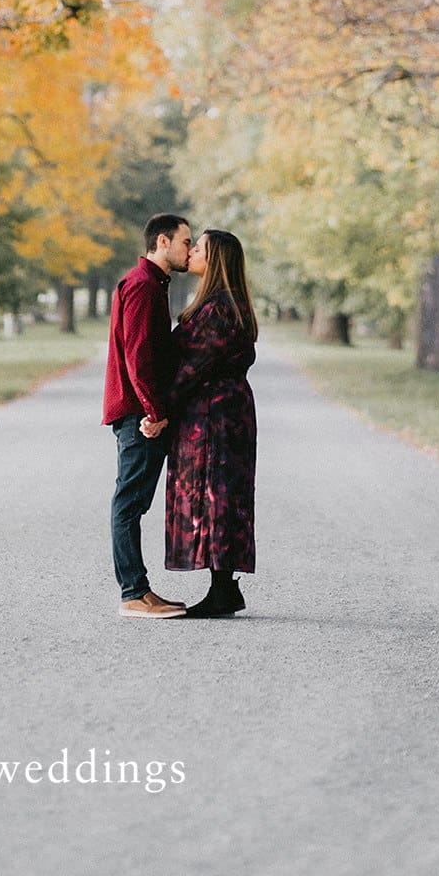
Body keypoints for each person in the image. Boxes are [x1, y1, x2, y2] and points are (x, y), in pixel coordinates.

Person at [148, 228, 258, 619]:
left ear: (216, 261)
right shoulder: (221, 304)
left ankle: (223, 590)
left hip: (216, 415)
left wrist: (157, 412)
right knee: (219, 494)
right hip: (220, 412)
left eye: (199, 247)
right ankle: (223, 586)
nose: (191, 251)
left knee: (217, 496)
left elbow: (190, 369)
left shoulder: (219, 310)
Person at [103, 213, 193, 618]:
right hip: (140, 417)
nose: (188, 250)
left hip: (144, 413)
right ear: (162, 241)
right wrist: (155, 412)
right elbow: (137, 358)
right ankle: (132, 594)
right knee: (128, 503)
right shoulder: (141, 287)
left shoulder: (153, 285)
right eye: (185, 242)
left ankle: (140, 590)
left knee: (134, 503)